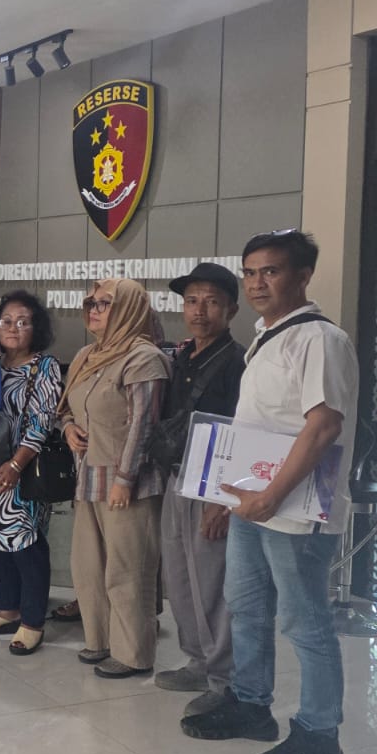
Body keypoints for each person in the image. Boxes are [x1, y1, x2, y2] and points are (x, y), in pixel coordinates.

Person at [181, 230, 358, 754]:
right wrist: (232, 495)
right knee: (246, 605)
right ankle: (252, 704)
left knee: (305, 620)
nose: (258, 283)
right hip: (253, 504)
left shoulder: (320, 339)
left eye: (271, 271)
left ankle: (320, 736)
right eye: (251, 272)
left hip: (296, 510)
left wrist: (273, 495)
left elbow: (323, 425)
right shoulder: (266, 337)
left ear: (302, 276)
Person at [58, 278, 171, 679]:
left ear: (129, 309)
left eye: (104, 303)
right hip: (88, 478)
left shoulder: (144, 358)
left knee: (128, 570)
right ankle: (100, 640)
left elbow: (143, 425)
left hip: (129, 483)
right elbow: (66, 408)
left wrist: (125, 478)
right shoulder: (87, 355)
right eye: (90, 303)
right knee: (88, 567)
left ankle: (133, 653)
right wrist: (68, 428)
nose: (93, 310)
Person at [154, 263, 246, 716]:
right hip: (179, 476)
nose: (199, 311)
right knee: (179, 576)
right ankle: (196, 660)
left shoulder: (237, 362)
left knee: (212, 583)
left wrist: (224, 501)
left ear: (231, 310)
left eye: (211, 302)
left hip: (213, 486)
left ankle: (224, 678)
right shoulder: (183, 357)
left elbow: (243, 433)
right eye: (192, 301)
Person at [0, 291, 63, 656]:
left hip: (23, 470)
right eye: (6, 321)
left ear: (36, 328)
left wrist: (15, 464)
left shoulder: (44, 367)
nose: (13, 328)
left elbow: (41, 423)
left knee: (27, 544)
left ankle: (33, 621)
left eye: (23, 322)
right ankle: (7, 608)